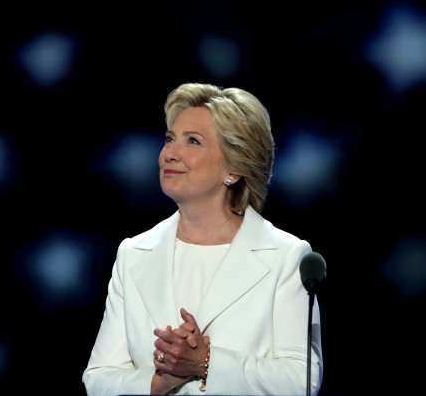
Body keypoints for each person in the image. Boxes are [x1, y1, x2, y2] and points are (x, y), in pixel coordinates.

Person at [82, 83, 323, 395]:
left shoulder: (287, 256)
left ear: (234, 168)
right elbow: (99, 378)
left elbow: (301, 380)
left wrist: (204, 362)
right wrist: (160, 382)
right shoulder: (133, 252)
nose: (170, 153)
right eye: (170, 139)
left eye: (192, 141)